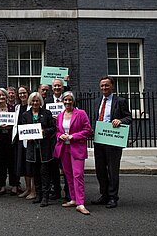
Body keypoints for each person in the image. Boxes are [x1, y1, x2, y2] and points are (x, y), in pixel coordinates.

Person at [92, 76, 132, 209]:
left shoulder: (120, 101)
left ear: (112, 86)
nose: (104, 88)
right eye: (102, 85)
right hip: (99, 140)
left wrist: (120, 121)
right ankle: (104, 195)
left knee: (113, 170)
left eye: (107, 85)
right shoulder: (97, 101)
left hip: (113, 140)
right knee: (100, 169)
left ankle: (113, 197)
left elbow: (128, 117)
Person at [53, 91, 92, 215]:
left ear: (73, 101)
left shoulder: (81, 113)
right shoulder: (60, 115)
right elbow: (58, 131)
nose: (67, 102)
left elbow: (88, 130)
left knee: (78, 175)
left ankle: (81, 203)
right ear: (62, 101)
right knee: (68, 175)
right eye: (65, 100)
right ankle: (73, 199)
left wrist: (73, 136)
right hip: (64, 148)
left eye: (70, 100)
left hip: (77, 148)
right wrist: (61, 136)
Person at [21, 92, 56, 207]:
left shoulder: (46, 113)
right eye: (33, 101)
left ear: (40, 101)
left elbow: (53, 128)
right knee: (35, 173)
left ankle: (45, 197)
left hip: (44, 149)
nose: (35, 103)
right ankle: (38, 195)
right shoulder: (25, 115)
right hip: (32, 149)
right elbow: (23, 130)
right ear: (30, 102)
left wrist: (44, 132)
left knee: (44, 172)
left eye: (37, 101)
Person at [0, 88, 18, 195]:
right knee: (0, 163)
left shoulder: (12, 109)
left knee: (12, 162)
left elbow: (15, 122)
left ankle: (14, 185)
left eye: (3, 95)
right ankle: (2, 185)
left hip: (10, 138)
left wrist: (10, 125)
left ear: (6, 97)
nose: (1, 97)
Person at [12, 85, 36, 199]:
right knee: (23, 165)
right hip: (19, 140)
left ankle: (34, 190)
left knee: (30, 165)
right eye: (20, 93)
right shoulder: (17, 107)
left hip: (30, 139)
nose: (22, 95)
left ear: (28, 93)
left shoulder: (32, 107)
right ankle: (27, 189)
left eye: (24, 93)